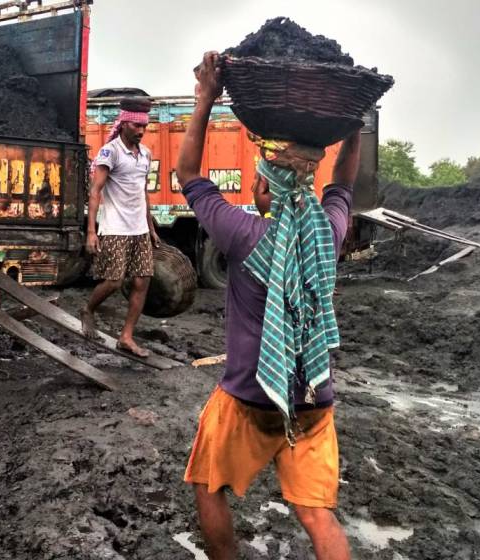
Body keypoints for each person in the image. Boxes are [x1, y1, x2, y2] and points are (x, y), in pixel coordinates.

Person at [178, 52, 361, 560]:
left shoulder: (241, 236)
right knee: (316, 513)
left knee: (208, 485)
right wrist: (354, 130)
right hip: (314, 399)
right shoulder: (327, 233)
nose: (254, 184)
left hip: (249, 397)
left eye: (258, 178)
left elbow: (188, 174)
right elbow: (342, 185)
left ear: (265, 189)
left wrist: (205, 98)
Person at [81, 100, 160, 358]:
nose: (141, 130)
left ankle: (126, 336)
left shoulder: (145, 154)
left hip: (139, 229)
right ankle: (88, 310)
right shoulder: (110, 152)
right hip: (115, 227)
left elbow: (142, 192)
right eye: (137, 125)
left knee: (142, 281)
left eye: (145, 126)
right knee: (114, 282)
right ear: (124, 123)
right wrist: (92, 231)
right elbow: (95, 192)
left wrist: (150, 227)